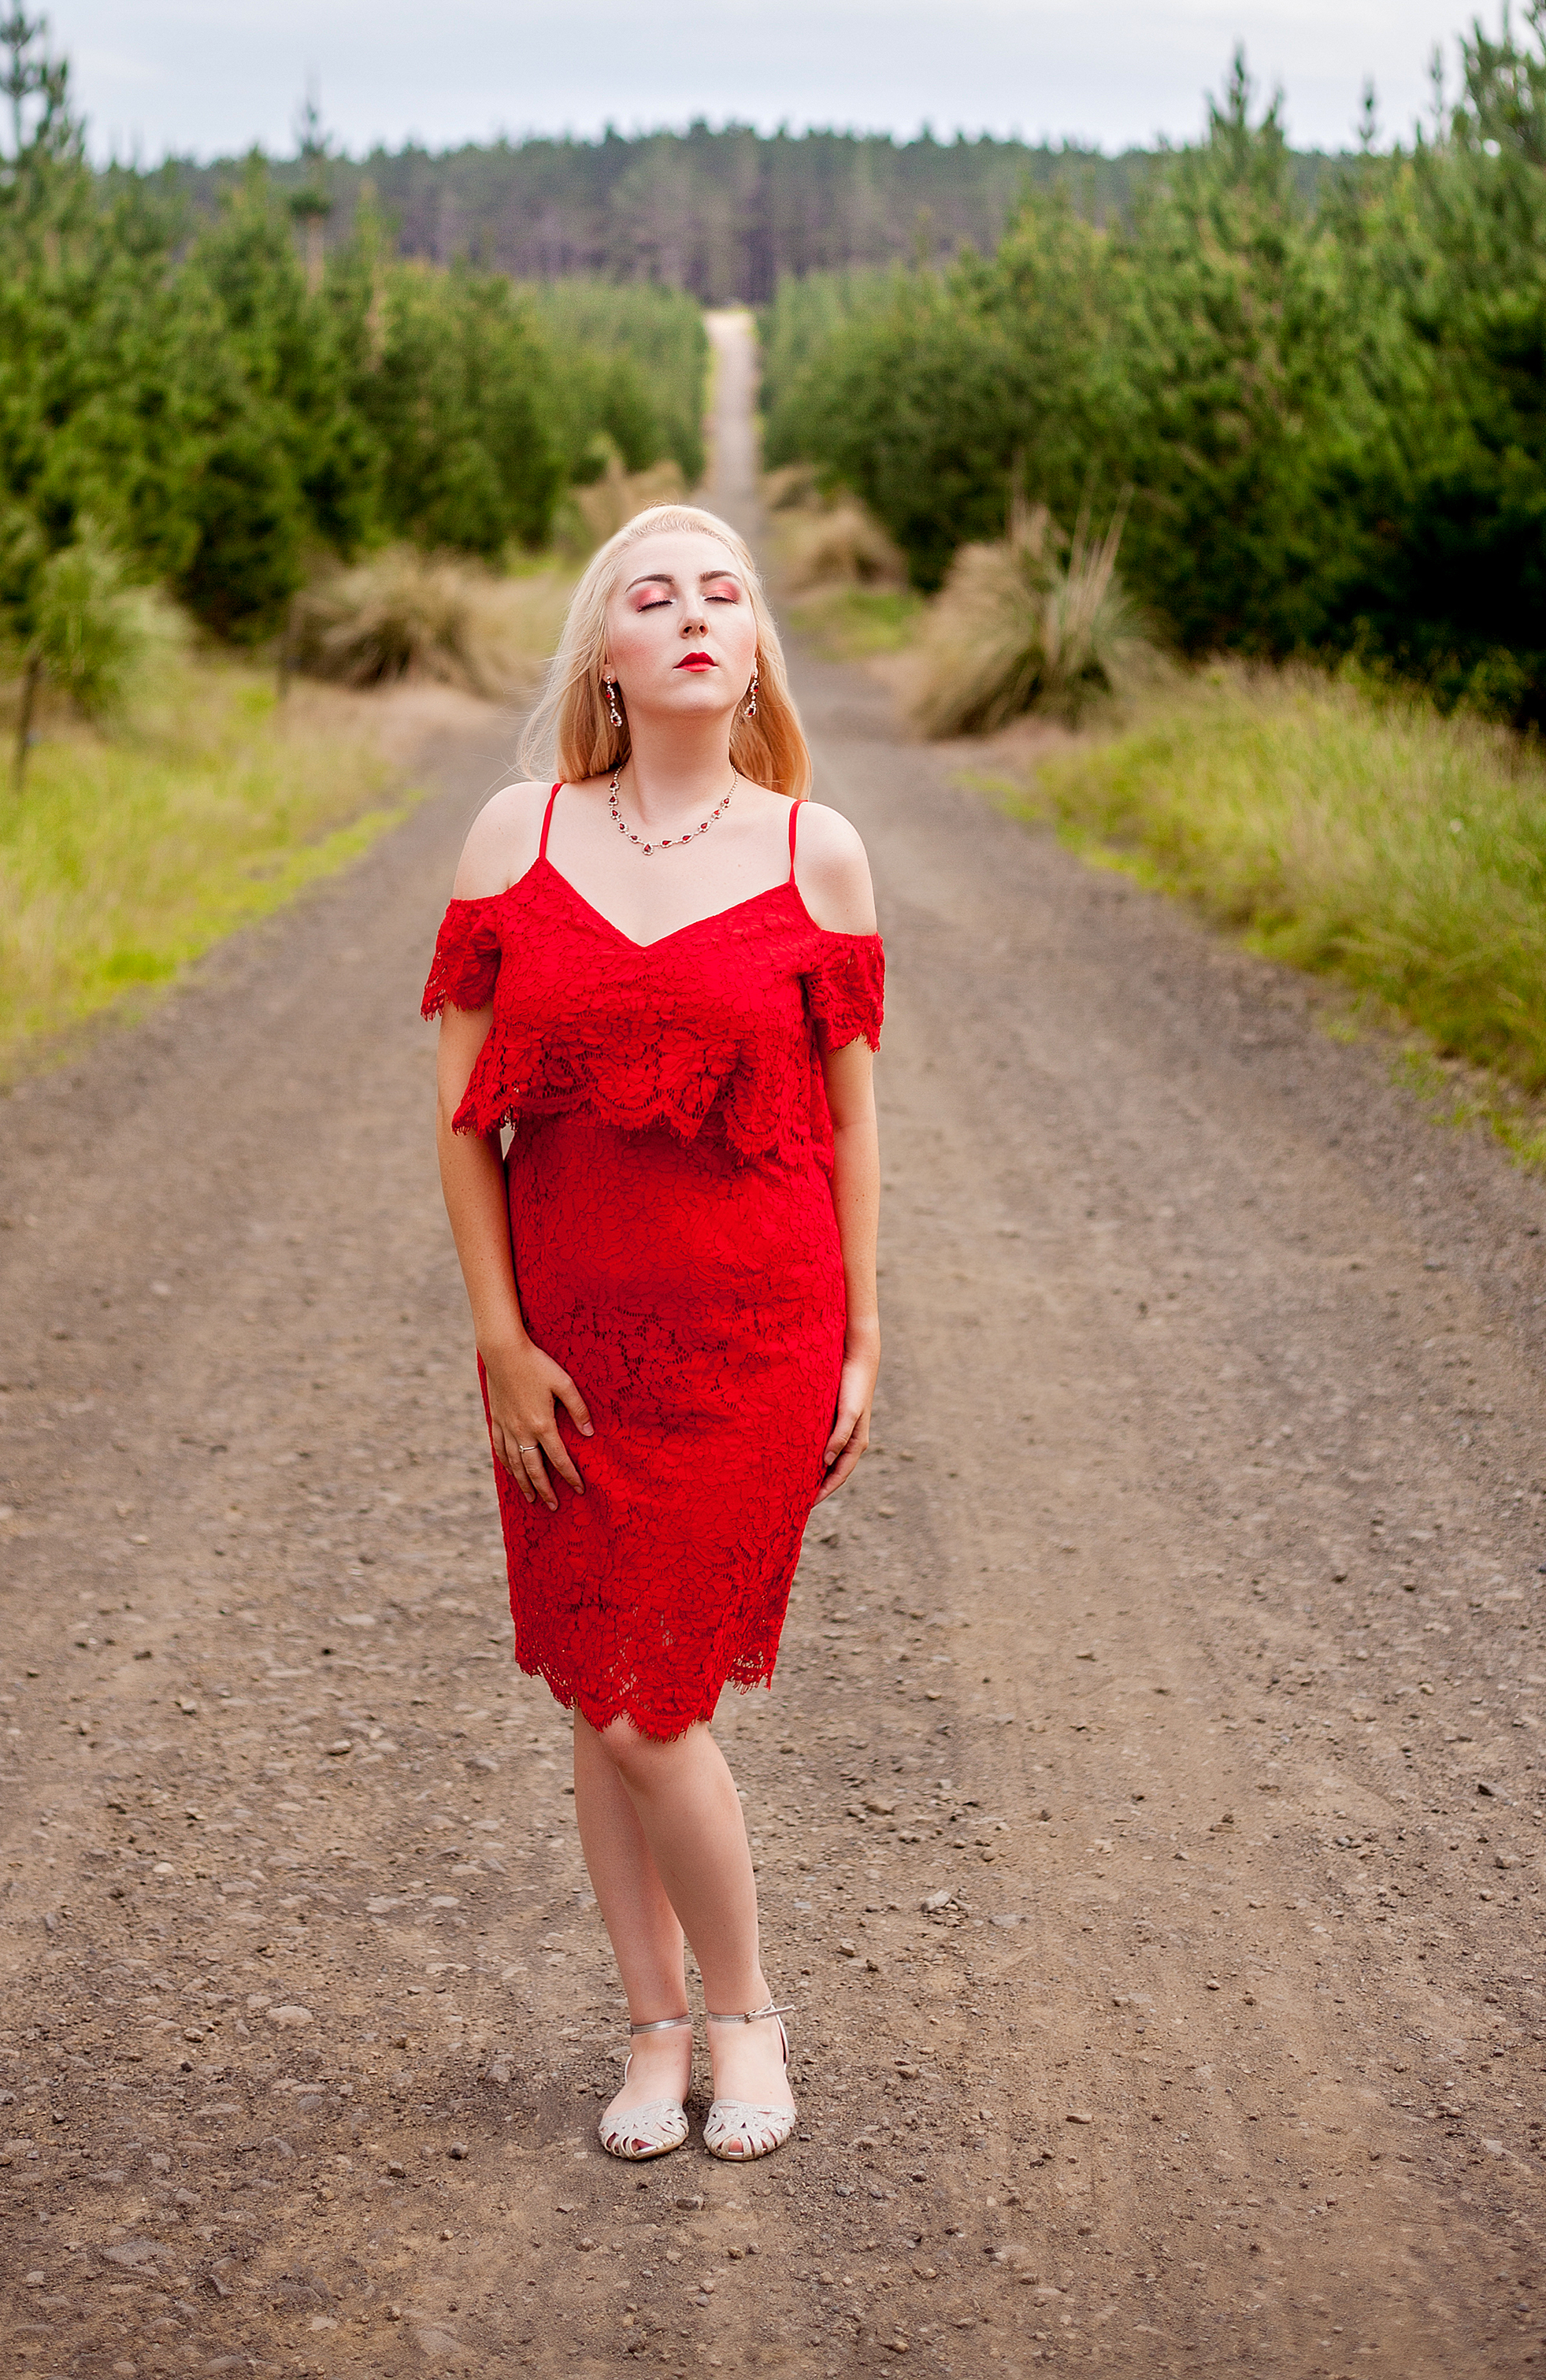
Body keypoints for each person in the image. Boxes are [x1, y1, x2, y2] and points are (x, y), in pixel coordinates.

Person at [424, 502, 883, 2164]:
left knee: (647, 1704)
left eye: (723, 593)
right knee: (595, 1688)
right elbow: (462, 1123)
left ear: (753, 650)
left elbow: (852, 1123)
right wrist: (499, 1337)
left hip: (757, 1334)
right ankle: (650, 2027)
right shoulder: (514, 837)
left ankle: (744, 2014)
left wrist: (864, 1343)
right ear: (604, 657)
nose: (693, 614)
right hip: (565, 1344)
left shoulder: (814, 852)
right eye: (654, 595)